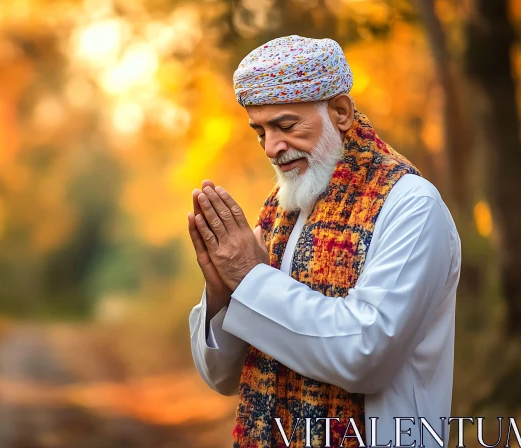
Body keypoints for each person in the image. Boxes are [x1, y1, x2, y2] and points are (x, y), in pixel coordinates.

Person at [186, 35, 460, 448]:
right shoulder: (282, 211)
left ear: (341, 112)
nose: (271, 147)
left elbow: (364, 355)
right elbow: (221, 377)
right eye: (260, 131)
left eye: (285, 125)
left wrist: (250, 278)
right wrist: (223, 291)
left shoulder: (412, 205)